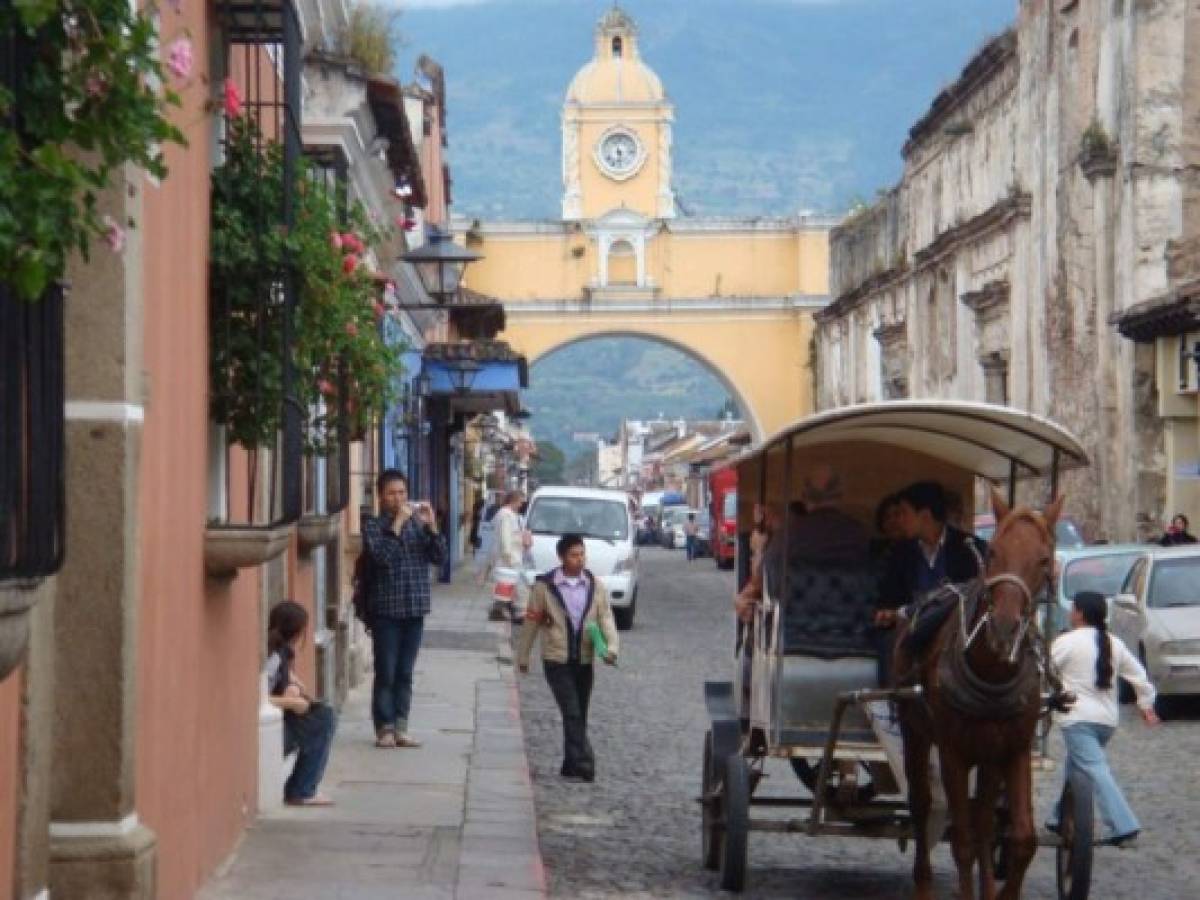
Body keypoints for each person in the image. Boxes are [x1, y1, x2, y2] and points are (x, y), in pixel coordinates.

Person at [1047, 591, 1159, 846]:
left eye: (1072, 608)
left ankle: (1123, 825)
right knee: (1077, 765)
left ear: (1080, 613)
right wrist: (1146, 705)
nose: (1069, 612)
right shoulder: (1113, 642)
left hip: (1076, 718)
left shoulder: (1066, 642)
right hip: (1106, 721)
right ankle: (1058, 817)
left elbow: (1045, 671)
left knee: (1095, 770)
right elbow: (1139, 675)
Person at [516, 534, 619, 782]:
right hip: (556, 659)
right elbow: (532, 621)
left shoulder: (595, 585)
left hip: (584, 659)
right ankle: (585, 763)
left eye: (582, 554)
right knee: (571, 711)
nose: (580, 559)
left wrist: (612, 647)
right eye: (574, 555)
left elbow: (606, 618)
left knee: (579, 712)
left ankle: (570, 764)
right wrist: (523, 654)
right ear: (561, 557)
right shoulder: (545, 586)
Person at [362, 469, 446, 749]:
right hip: (386, 610)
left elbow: (439, 558)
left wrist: (432, 527)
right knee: (386, 670)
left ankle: (401, 726)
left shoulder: (417, 525)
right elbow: (382, 557)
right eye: (391, 493)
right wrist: (397, 523)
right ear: (381, 496)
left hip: (415, 608)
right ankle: (383, 727)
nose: (397, 498)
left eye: (402, 493)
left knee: (406, 672)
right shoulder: (373, 526)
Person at [266, 600, 337, 806]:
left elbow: (286, 680)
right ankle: (302, 789)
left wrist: (294, 686)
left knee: (323, 713)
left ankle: (302, 787)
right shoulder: (273, 657)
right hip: (273, 730)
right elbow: (257, 697)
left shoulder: (280, 653)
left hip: (279, 721)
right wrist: (291, 703)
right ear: (298, 632)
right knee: (323, 719)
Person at [489, 490, 527, 621]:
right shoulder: (506, 515)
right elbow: (505, 538)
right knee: (508, 586)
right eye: (520, 502)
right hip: (509, 557)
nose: (521, 505)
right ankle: (509, 612)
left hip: (509, 557)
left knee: (505, 586)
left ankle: (501, 611)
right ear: (514, 500)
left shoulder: (507, 514)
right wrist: (508, 556)